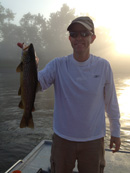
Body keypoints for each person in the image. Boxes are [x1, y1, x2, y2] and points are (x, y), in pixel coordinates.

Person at [38, 16, 121, 173]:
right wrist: (29, 64)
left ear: (93, 37)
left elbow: (111, 103)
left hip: (94, 140)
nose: (79, 38)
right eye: (74, 34)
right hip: (62, 139)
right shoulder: (57, 65)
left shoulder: (103, 66)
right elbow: (36, 85)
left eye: (84, 33)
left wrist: (116, 132)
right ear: (69, 38)